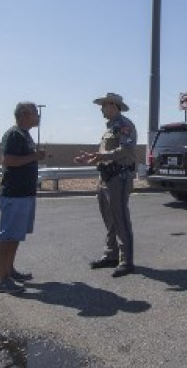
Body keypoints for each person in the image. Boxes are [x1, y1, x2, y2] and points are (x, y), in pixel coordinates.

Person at [74, 92, 137, 278]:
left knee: (120, 217)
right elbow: (106, 151)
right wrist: (92, 157)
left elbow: (125, 149)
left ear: (113, 106)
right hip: (106, 176)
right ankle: (111, 255)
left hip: (119, 177)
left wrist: (102, 156)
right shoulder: (110, 127)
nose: (101, 109)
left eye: (104, 105)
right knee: (109, 218)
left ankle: (126, 261)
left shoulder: (124, 125)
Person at [0, 102, 45, 294]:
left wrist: (35, 156)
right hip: (14, 194)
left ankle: (9, 271)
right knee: (7, 236)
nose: (38, 116)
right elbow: (7, 160)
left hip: (24, 193)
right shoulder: (14, 134)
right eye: (35, 113)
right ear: (24, 115)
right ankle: (1, 279)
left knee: (15, 235)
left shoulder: (25, 134)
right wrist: (34, 157)